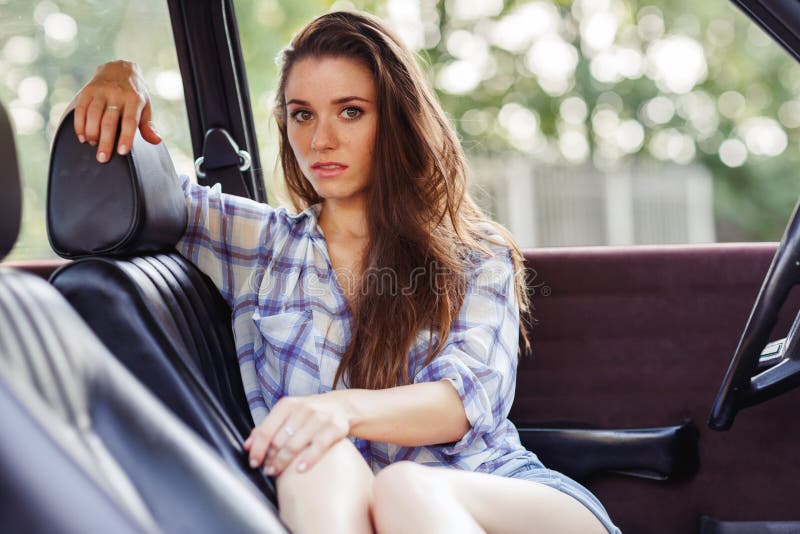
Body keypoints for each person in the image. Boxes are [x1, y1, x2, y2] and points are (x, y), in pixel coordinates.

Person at [71, 10, 620, 534]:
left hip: (498, 494)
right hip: (349, 501)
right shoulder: (261, 247)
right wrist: (119, 78)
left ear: (396, 120)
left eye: (350, 111)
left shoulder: (476, 253)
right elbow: (145, 190)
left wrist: (339, 409)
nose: (320, 140)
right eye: (302, 114)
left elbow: (460, 404)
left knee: (407, 487)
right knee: (310, 459)